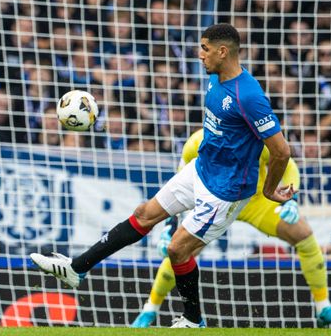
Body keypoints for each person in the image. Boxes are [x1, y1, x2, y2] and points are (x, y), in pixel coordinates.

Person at [31, 23, 294, 328]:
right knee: (144, 214)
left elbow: (281, 151)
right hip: (201, 168)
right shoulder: (215, 77)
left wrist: (268, 190)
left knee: (177, 249)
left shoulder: (249, 96)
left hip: (226, 189)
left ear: (223, 52)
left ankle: (194, 320)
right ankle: (77, 269)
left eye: (205, 49)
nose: (200, 54)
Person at [131, 129, 331, 328]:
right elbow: (177, 190)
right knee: (179, 250)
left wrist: (290, 200)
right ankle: (149, 310)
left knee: (303, 235)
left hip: (255, 202)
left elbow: (289, 166)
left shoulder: (256, 139)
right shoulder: (195, 144)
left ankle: (323, 308)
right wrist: (170, 226)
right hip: (215, 204)